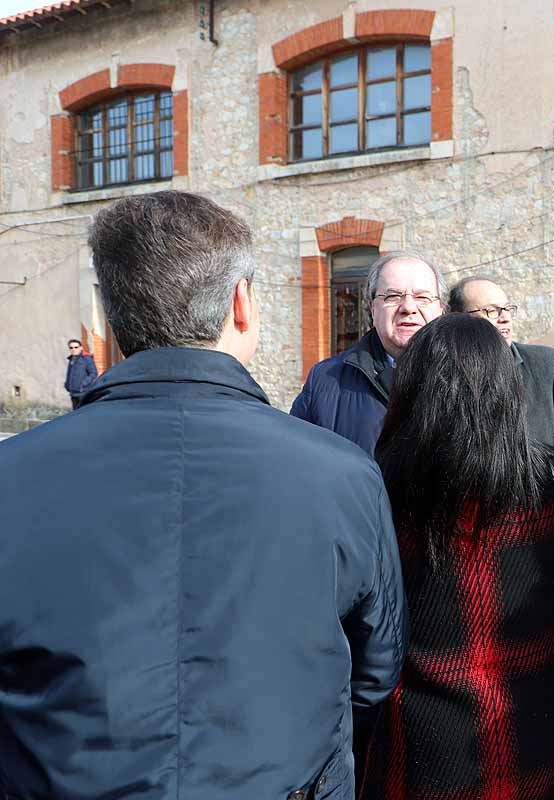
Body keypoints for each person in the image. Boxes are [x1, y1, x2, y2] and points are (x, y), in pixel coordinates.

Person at [0, 191, 408, 799]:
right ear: (242, 304)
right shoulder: (342, 473)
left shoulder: (13, 474)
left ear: (113, 319)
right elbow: (376, 670)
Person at [361, 313, 554, 800]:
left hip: (422, 733)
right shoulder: (552, 480)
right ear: (507, 387)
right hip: (532, 715)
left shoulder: (382, 483)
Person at [448, 276, 554, 482]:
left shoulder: (545, 365)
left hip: (536, 508)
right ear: (458, 319)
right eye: (491, 311)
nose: (505, 318)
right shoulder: (442, 374)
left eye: (508, 309)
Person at [291, 251, 445, 454]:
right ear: (372, 309)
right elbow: (297, 464)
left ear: (441, 309)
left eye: (422, 297)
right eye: (392, 296)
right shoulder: (324, 381)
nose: (408, 307)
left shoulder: (469, 379)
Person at [64, 337, 97, 409]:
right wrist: (67, 385)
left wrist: (83, 384)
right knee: (75, 414)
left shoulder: (86, 358)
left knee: (82, 414)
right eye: (71, 347)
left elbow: (93, 373)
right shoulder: (71, 359)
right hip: (73, 393)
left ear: (81, 348)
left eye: (76, 347)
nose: (74, 349)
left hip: (82, 393)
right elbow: (69, 374)